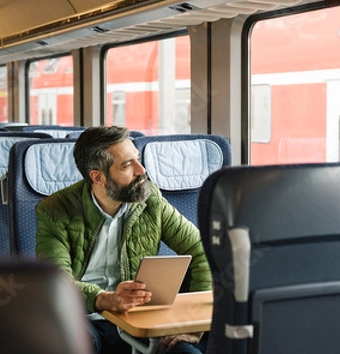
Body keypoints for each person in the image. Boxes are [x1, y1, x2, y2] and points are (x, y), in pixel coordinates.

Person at [36, 126, 211, 354]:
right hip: (83, 319)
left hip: (140, 320)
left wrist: (194, 325)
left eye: (137, 160)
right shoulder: (55, 210)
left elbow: (202, 249)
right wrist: (104, 299)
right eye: (127, 165)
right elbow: (57, 283)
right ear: (98, 177)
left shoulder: (150, 200)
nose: (142, 170)